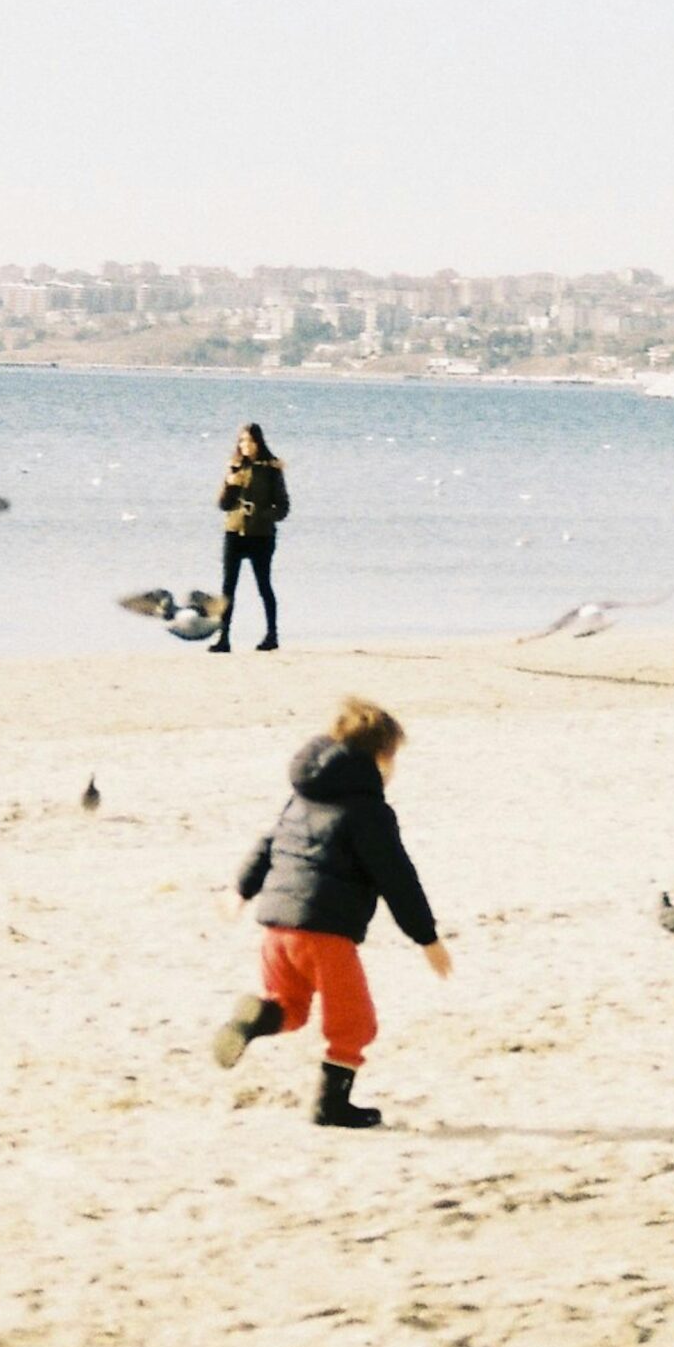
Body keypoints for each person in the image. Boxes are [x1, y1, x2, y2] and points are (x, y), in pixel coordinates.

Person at [214, 696, 453, 1128]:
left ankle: (254, 1021)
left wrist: (240, 889)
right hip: (325, 935)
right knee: (354, 1025)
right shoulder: (370, 812)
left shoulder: (302, 798)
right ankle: (332, 1106)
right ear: (380, 757)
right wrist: (426, 938)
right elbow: (396, 877)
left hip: (276, 927)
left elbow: (269, 844)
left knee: (290, 1008)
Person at [213, 422, 289, 652]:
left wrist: (262, 514)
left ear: (259, 442)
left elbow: (283, 508)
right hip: (234, 532)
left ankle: (271, 635)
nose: (246, 445)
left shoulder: (272, 469)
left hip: (261, 536)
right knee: (227, 588)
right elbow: (223, 505)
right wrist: (228, 485)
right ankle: (223, 638)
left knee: (264, 585)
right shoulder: (235, 467)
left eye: (250, 441)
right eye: (242, 441)